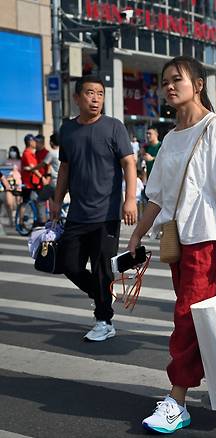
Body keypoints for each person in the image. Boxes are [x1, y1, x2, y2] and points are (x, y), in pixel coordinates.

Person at [127, 56, 216, 435]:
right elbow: (156, 196)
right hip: (181, 242)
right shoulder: (172, 138)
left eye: (177, 79)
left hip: (210, 240)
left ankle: (176, 401)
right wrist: (136, 234)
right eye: (164, 82)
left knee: (186, 319)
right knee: (198, 321)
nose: (169, 86)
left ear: (198, 85)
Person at [51, 75, 137, 342]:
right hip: (77, 213)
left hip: (106, 214)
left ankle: (104, 320)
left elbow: (129, 164)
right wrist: (56, 200)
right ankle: (101, 294)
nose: (96, 98)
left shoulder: (114, 127)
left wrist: (130, 199)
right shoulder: (67, 130)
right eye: (90, 93)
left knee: (101, 269)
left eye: (100, 93)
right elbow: (65, 168)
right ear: (77, 97)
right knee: (68, 264)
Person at [3, 146, 21, 226]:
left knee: (19, 203)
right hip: (9, 184)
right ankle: (11, 220)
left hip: (18, 184)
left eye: (14, 151)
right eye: (11, 151)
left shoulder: (20, 161)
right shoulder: (7, 161)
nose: (12, 152)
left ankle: (19, 220)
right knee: (8, 203)